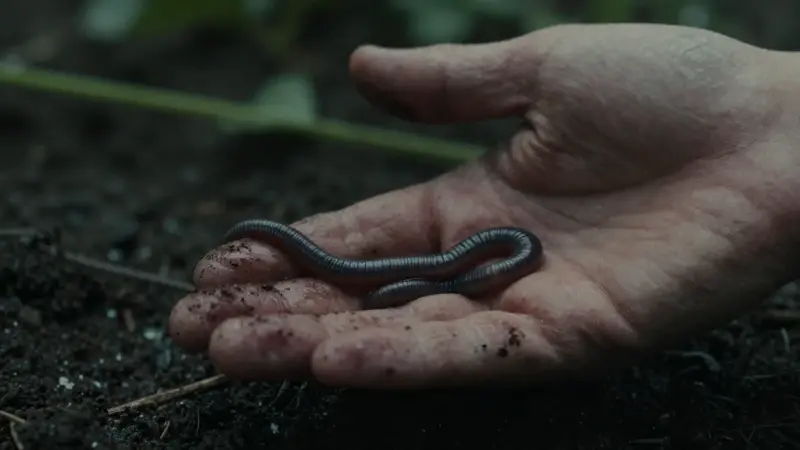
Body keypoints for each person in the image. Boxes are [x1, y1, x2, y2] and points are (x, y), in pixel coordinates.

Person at [168, 22, 800, 389]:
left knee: (364, 278)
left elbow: (494, 263)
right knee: (353, 274)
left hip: (493, 259)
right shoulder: (492, 253)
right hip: (484, 259)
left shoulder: (504, 255)